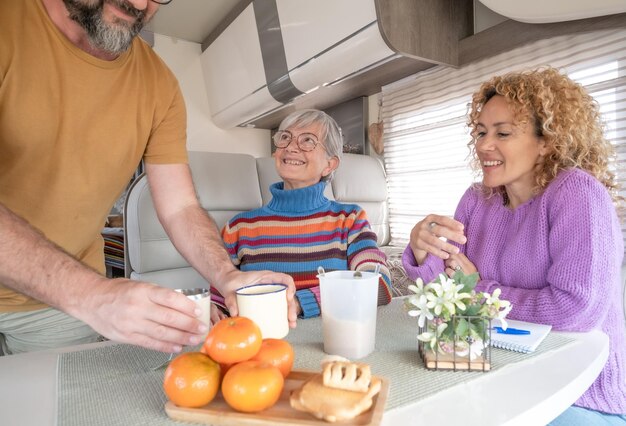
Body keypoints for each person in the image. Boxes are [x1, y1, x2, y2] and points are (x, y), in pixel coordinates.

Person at [0, 0, 297, 355]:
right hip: (74, 290)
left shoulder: (160, 86)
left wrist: (226, 274)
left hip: (54, 305)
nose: (140, 3)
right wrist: (90, 294)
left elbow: (180, 206)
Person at [402, 67, 626, 422]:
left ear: (547, 141)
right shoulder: (477, 200)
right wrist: (421, 252)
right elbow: (446, 298)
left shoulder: (577, 194)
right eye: (480, 132)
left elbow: (576, 308)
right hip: (491, 378)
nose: (483, 145)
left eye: (502, 133)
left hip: (578, 393)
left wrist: (479, 293)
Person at [219, 109, 392, 318]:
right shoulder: (238, 227)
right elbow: (219, 297)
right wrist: (213, 309)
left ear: (330, 164)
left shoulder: (350, 220)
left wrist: (301, 302)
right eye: (285, 138)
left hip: (333, 341)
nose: (291, 147)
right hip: (260, 343)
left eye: (307, 140)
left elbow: (377, 283)